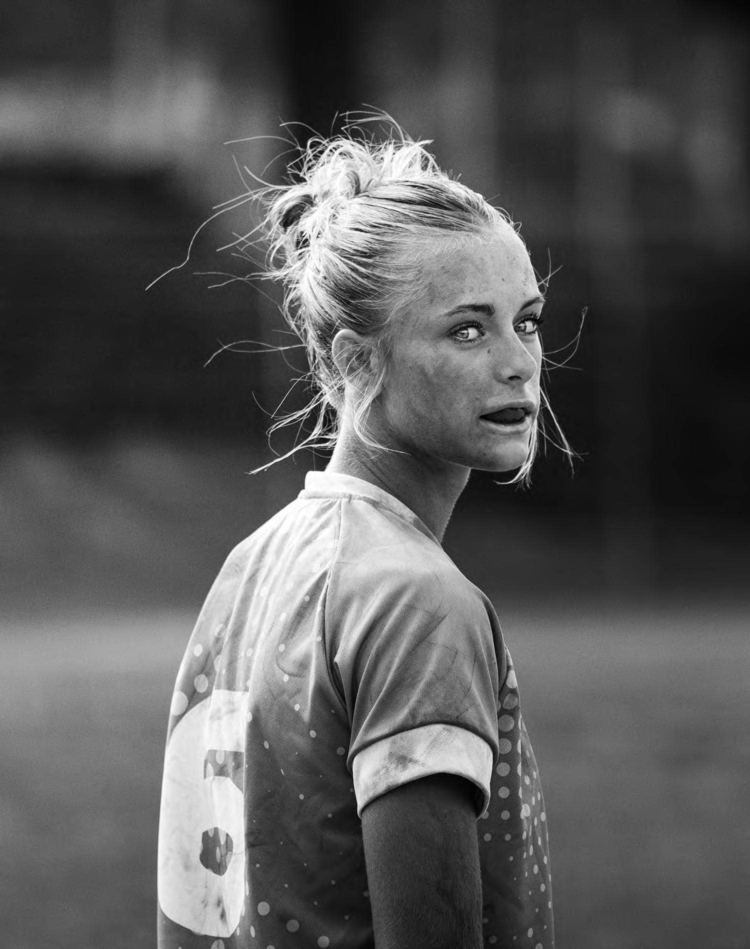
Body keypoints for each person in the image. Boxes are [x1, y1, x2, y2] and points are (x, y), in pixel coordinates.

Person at [155, 126, 568, 949]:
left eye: (526, 321)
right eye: (467, 330)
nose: (520, 362)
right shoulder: (418, 601)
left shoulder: (248, 567)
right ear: (357, 359)